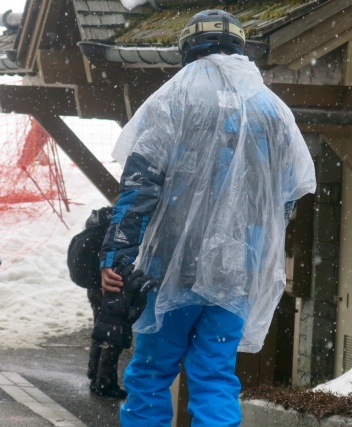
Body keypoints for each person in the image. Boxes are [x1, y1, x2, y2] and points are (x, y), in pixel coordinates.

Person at [98, 9, 317, 427]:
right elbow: (286, 198)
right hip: (235, 274)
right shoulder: (272, 109)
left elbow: (139, 186)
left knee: (150, 375)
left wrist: (116, 255)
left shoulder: (173, 98)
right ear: (239, 46)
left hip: (167, 272)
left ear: (188, 48)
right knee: (216, 378)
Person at [67, 206, 127, 399]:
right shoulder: (117, 225)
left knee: (101, 330)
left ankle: (95, 373)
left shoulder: (99, 220)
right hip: (108, 286)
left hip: (94, 285)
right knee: (113, 335)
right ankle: (105, 382)